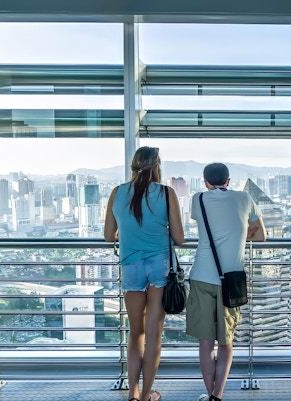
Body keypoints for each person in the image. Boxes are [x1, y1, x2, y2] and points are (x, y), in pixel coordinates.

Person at [104, 146, 185, 401]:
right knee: (153, 334)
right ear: (157, 166)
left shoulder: (117, 192)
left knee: (135, 332)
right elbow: (179, 238)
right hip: (160, 266)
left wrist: (129, 232)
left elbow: (109, 235)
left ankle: (134, 394)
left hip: (131, 266)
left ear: (133, 166)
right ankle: (149, 394)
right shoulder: (166, 193)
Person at [186, 163, 266, 401]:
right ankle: (217, 396)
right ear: (229, 181)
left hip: (201, 276)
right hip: (231, 279)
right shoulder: (245, 198)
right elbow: (261, 235)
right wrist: (242, 234)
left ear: (205, 182)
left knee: (205, 342)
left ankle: (208, 392)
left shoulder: (197, 199)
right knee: (226, 341)